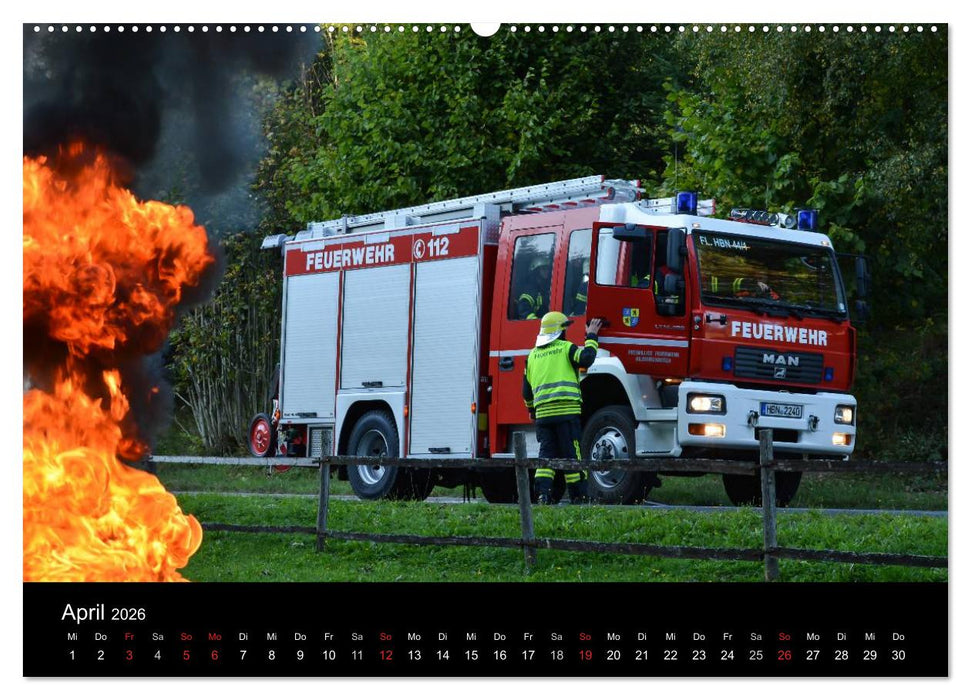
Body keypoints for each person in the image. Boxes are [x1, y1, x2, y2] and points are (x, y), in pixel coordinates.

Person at [522, 311, 603, 504]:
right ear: (560, 331)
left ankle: (543, 496)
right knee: (572, 455)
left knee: (546, 457)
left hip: (543, 416)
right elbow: (587, 358)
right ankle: (579, 496)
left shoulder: (532, 356)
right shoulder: (566, 348)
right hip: (566, 413)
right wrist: (591, 335)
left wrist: (533, 411)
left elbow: (526, 392)